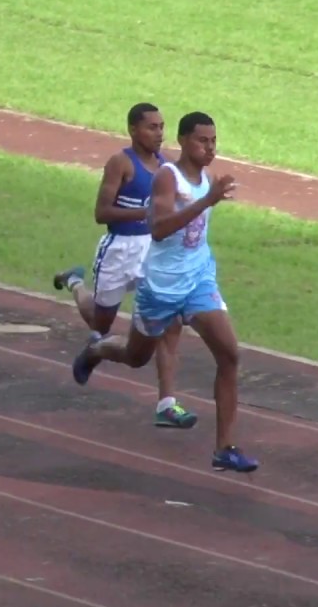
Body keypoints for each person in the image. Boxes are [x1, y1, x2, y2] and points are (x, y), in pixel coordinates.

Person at [70, 111, 257, 472]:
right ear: (184, 141)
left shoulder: (206, 180)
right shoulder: (167, 177)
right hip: (161, 288)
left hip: (198, 282)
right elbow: (157, 229)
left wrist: (208, 198)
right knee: (135, 355)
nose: (210, 148)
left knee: (230, 355)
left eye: (214, 141)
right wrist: (206, 201)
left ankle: (225, 449)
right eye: (202, 140)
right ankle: (97, 349)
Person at [52, 102, 194, 430]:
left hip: (150, 252)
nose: (159, 133)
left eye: (161, 127)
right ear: (133, 130)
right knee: (100, 322)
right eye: (152, 127)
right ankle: (75, 282)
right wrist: (145, 213)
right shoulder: (121, 163)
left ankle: (167, 403)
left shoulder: (166, 168)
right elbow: (101, 213)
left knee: (168, 323)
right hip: (119, 250)